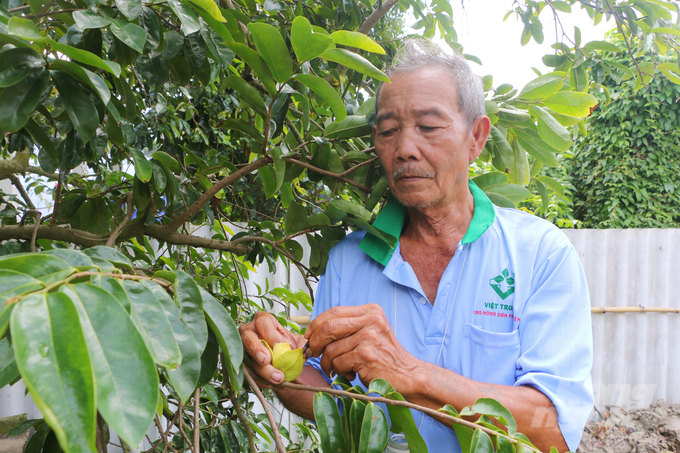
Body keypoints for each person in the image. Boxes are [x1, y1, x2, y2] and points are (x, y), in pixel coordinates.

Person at [239, 39, 593, 453]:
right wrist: (276, 362)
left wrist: (410, 373)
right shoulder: (349, 260)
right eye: (389, 131)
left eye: (428, 127)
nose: (405, 149)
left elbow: (553, 428)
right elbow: (329, 395)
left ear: (476, 137)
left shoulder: (541, 254)